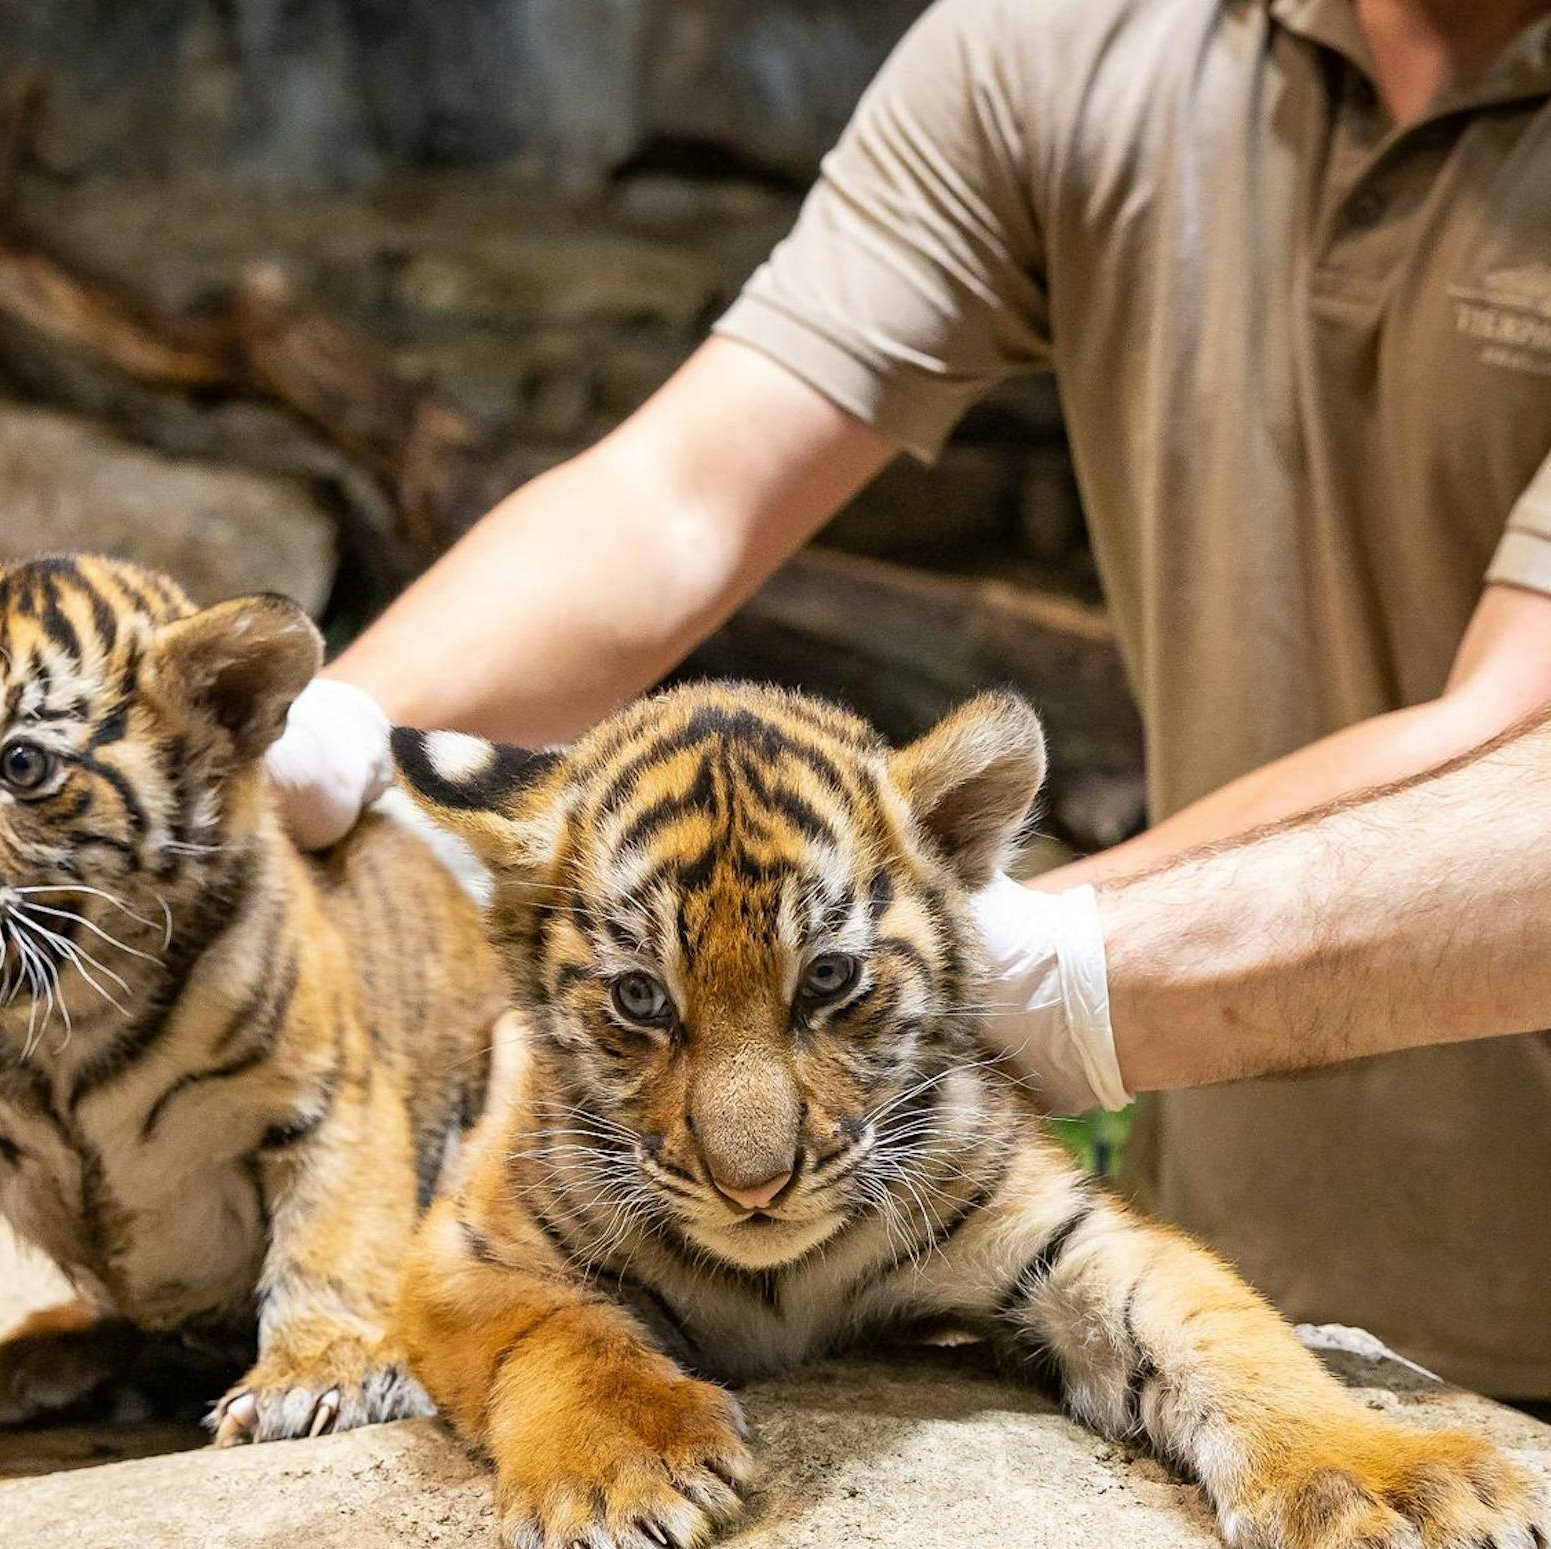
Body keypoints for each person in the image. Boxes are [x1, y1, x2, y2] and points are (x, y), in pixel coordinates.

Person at [268, 0, 1551, 1398]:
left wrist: (989, 962)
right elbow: (683, 495)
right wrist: (313, 749)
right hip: (1230, 1242)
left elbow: (1507, 721)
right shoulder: (1070, 37)